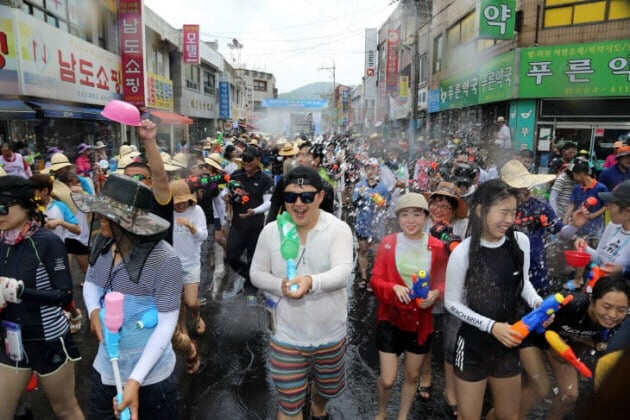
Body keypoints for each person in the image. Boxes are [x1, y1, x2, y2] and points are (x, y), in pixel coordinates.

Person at [250, 166, 353, 420]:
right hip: (287, 336)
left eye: (306, 197)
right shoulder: (271, 231)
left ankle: (319, 406)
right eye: (291, 197)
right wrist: (280, 286)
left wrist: (310, 281)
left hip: (330, 334)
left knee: (327, 388)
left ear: (319, 197)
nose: (298, 203)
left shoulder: (338, 229)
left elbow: (342, 273)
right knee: (289, 404)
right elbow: (256, 273)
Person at [77, 173, 182, 420]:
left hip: (153, 378)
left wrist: (135, 380)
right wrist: (93, 310)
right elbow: (91, 283)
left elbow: (167, 323)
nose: (100, 219)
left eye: (107, 214)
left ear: (129, 222)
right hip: (106, 368)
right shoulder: (103, 244)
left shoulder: (165, 260)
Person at [444, 179, 545, 420]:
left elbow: (523, 284)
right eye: (503, 212)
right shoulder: (463, 252)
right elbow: (452, 303)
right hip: (472, 346)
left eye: (513, 212)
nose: (510, 220)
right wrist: (491, 326)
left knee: (509, 416)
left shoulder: (520, 242)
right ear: (480, 210)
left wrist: (538, 304)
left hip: (508, 341)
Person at [0, 176, 83, 420]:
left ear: (25, 205)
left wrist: (21, 291)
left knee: (66, 410)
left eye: (2, 207)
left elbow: (64, 294)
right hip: (11, 340)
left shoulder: (47, 242)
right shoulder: (1, 241)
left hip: (48, 339)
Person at [370, 193, 447, 420]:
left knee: (413, 376)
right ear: (398, 218)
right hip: (390, 320)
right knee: (387, 379)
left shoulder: (437, 246)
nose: (411, 220)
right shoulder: (388, 244)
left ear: (426, 217)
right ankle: (382, 412)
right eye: (405, 215)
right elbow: (376, 280)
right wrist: (393, 287)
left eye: (417, 214)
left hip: (420, 323)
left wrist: (435, 293)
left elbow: (443, 281)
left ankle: (402, 416)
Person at [544, 277, 629, 420]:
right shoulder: (570, 304)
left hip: (568, 345)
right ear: (592, 300)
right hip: (538, 340)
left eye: (621, 309)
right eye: (607, 307)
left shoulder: (624, 323)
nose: (612, 315)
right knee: (538, 388)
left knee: (570, 395)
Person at [418, 181, 468, 416]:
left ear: (454, 209)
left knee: (451, 342)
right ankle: (426, 376)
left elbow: (464, 258)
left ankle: (451, 390)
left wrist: (447, 236)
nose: (439, 209)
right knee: (425, 338)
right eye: (435, 204)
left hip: (453, 292)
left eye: (446, 205)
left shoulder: (464, 227)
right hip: (427, 290)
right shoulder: (422, 224)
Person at [170, 179, 208, 374]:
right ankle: (183, 330)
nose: (180, 204)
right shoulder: (168, 213)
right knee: (178, 302)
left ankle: (197, 315)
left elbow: (204, 236)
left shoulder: (197, 211)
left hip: (191, 263)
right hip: (172, 264)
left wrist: (192, 228)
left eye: (183, 200)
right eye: (176, 201)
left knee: (191, 301)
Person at [225, 145, 273, 294]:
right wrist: (224, 197)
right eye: (244, 159)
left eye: (250, 159)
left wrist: (255, 211)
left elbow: (269, 202)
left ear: (258, 160)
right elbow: (224, 192)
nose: (246, 162)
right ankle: (251, 277)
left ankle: (251, 290)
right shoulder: (236, 175)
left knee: (254, 259)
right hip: (238, 225)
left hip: (255, 226)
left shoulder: (265, 179)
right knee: (231, 256)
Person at [123, 120, 174, 244]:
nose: (132, 182)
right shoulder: (121, 204)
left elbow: (160, 176)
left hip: (158, 260)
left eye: (138, 177)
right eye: (127, 178)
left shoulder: (158, 200)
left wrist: (149, 140)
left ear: (150, 183)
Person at [353, 158, 390, 285]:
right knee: (363, 250)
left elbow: (387, 205)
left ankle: (374, 278)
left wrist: (382, 203)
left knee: (376, 253)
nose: (370, 171)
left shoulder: (382, 187)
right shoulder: (359, 186)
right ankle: (364, 278)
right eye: (367, 168)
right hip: (363, 224)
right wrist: (359, 195)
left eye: (372, 168)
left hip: (377, 226)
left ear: (377, 170)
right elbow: (354, 204)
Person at [565, 160, 607, 242]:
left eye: (575, 175)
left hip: (594, 227)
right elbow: (572, 205)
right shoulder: (577, 188)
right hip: (578, 226)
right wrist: (565, 220)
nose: (574, 178)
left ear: (581, 174)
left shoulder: (601, 188)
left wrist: (594, 214)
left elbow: (607, 205)